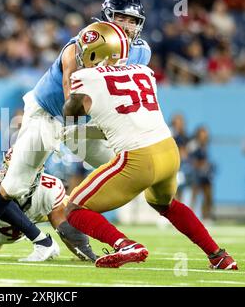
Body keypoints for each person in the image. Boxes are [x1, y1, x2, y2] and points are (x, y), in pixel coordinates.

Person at [0, 0, 152, 261]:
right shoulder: (81, 44)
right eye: (122, 18)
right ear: (108, 17)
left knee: (128, 168)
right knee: (14, 183)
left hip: (85, 119)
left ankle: (95, 243)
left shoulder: (140, 52)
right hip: (49, 114)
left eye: (133, 20)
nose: (128, 26)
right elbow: (71, 101)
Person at [63, 22, 237, 270]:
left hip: (137, 158)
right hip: (168, 151)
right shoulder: (143, 71)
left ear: (96, 52)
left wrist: (71, 81)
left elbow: (71, 113)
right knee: (165, 204)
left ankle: (125, 245)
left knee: (74, 208)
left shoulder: (85, 77)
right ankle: (219, 256)